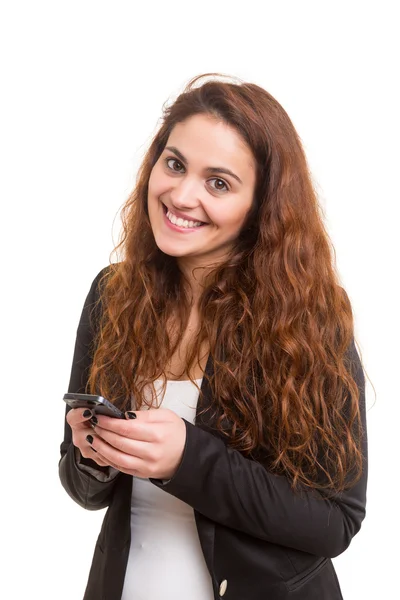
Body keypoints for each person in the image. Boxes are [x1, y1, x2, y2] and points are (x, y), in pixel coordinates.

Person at [59, 73, 367, 600]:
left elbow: (336, 520)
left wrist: (188, 460)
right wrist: (92, 455)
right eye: (174, 164)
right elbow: (83, 488)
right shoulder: (112, 295)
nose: (180, 195)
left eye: (218, 182)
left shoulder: (310, 320)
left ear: (261, 206)